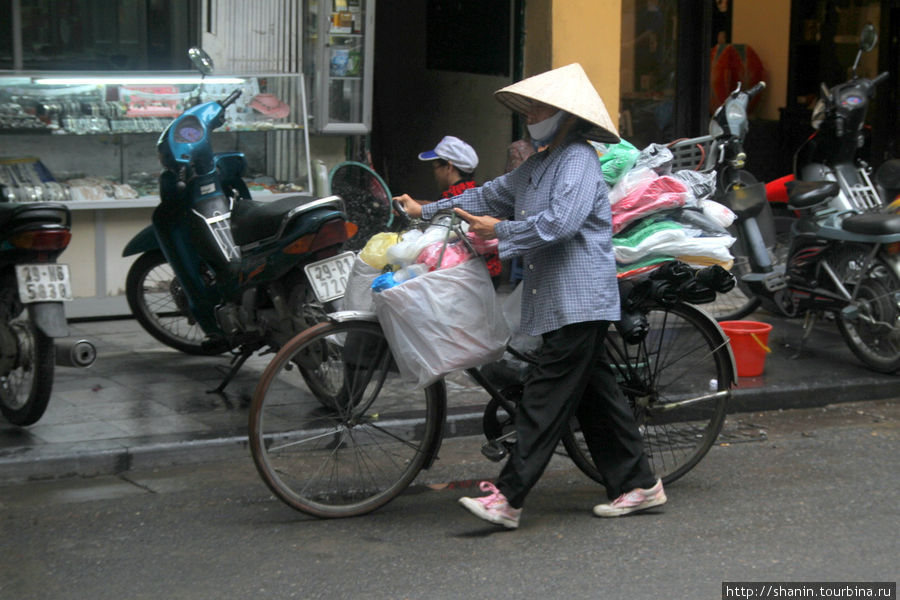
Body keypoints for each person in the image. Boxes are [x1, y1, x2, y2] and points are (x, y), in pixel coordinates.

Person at [394, 63, 664, 529]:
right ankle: (639, 484)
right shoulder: (539, 163)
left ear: (564, 115)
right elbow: (490, 195)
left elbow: (560, 224)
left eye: (540, 107)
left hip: (579, 299)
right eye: (532, 106)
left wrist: (502, 232)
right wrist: (427, 208)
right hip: (558, 299)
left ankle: (508, 497)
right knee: (595, 397)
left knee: (543, 400)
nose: (531, 114)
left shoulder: (578, 160)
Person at [417, 135, 479, 200]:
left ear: (449, 167)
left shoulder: (450, 198)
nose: (434, 173)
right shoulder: (478, 193)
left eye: (435, 167)